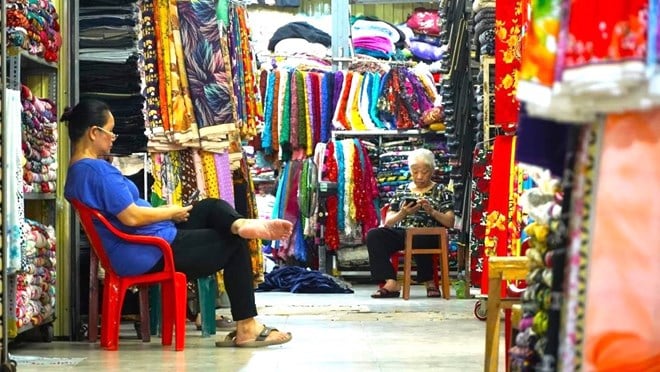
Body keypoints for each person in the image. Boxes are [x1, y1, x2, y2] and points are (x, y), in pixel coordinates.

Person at [62, 99, 293, 347]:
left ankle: (240, 223)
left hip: (146, 242)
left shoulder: (78, 171)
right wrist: (170, 212)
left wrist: (167, 213)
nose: (114, 138)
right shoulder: (97, 171)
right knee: (235, 246)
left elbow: (128, 216)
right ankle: (247, 327)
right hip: (148, 250)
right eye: (111, 131)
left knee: (208, 207)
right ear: (94, 133)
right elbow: (131, 217)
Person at [367, 148, 455, 298]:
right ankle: (390, 281)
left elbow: (450, 221)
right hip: (403, 232)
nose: (419, 176)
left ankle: (429, 281)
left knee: (418, 235)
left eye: (424, 172)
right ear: (410, 171)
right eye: (415, 172)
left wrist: (432, 212)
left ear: (432, 171)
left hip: (429, 234)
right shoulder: (401, 190)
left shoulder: (441, 190)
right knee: (374, 235)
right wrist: (403, 213)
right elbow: (388, 222)